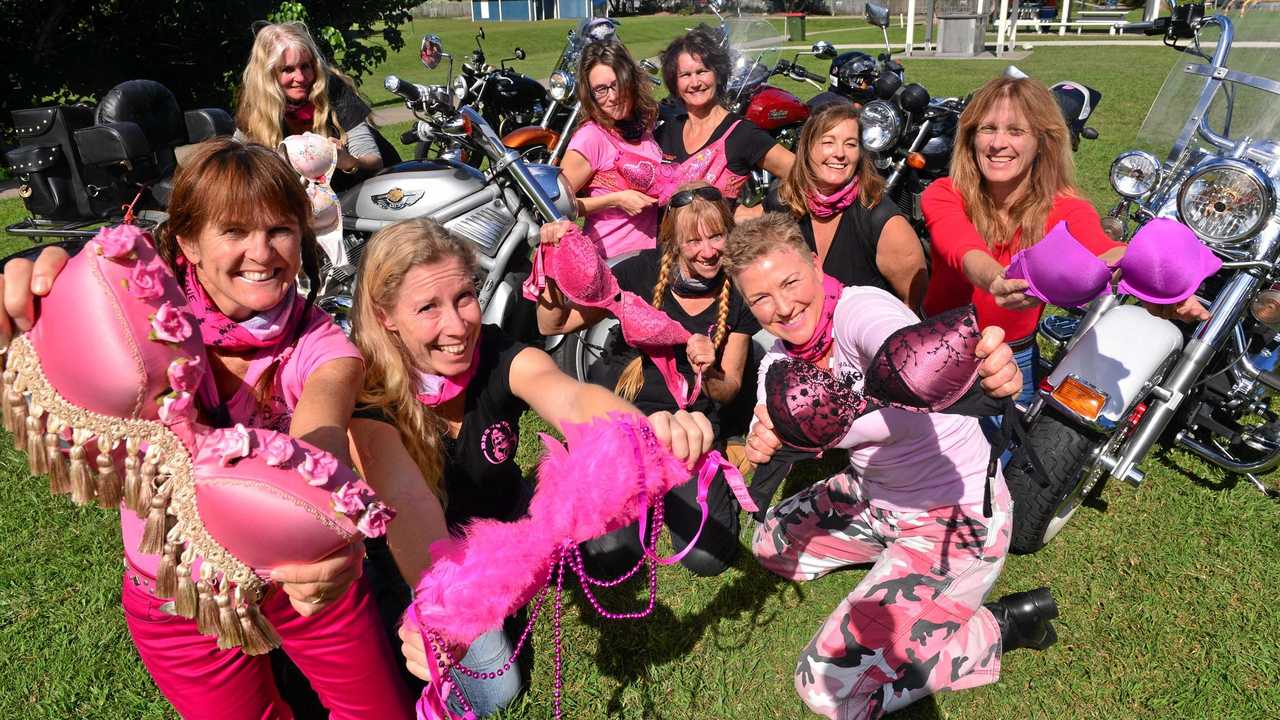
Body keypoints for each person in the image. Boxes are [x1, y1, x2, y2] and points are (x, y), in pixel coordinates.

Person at [0, 139, 412, 719]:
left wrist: (326, 528)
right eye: (235, 231)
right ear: (188, 241)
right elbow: (77, 291)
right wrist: (37, 289)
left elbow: (320, 442)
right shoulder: (139, 324)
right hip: (177, 590)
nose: (261, 253)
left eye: (280, 230)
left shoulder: (326, 347)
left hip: (299, 579)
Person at [344, 218, 715, 715]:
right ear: (386, 316)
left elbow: (571, 395)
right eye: (428, 308)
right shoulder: (367, 398)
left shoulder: (492, 351)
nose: (457, 327)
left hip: (509, 521)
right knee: (497, 692)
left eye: (463, 297)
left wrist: (641, 433)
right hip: (440, 562)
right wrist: (448, 605)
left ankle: (521, 589)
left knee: (615, 550)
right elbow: (408, 505)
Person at [729, 213, 1059, 720]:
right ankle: (897, 565)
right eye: (761, 299)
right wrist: (766, 433)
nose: (783, 306)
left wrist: (981, 365)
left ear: (816, 265)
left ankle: (1000, 625)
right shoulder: (779, 360)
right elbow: (772, 414)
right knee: (770, 545)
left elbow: (909, 355)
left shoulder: (863, 311)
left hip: (956, 515)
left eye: (789, 281)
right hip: (873, 496)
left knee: (826, 687)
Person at [922, 75, 1208, 406]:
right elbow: (960, 247)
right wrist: (995, 279)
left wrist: (1157, 280)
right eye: (987, 129)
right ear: (970, 137)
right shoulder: (944, 193)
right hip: (936, 346)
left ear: (1042, 141)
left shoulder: (1067, 206)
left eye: (1016, 131)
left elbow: (1103, 249)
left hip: (1012, 359)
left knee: (999, 455)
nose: (998, 143)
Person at [536, 182, 759, 576]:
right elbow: (554, 322)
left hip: (690, 435)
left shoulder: (739, 289)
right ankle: (635, 487)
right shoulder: (638, 272)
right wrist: (550, 265)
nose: (708, 251)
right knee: (608, 558)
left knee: (708, 559)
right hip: (629, 428)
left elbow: (731, 390)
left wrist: (711, 370)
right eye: (693, 241)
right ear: (673, 240)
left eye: (716, 236)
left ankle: (661, 491)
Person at [767, 102, 927, 309]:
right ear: (806, 147)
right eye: (828, 142)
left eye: (851, 144)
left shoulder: (882, 220)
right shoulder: (780, 206)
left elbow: (913, 305)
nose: (840, 153)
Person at [236, 22, 395, 191]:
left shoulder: (334, 89)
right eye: (288, 70)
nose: (301, 77)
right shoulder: (255, 105)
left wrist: (347, 161)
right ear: (268, 74)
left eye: (305, 66)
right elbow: (235, 163)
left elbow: (374, 161)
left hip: (375, 191)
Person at [657, 27, 795, 216]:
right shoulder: (667, 131)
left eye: (702, 71)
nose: (695, 82)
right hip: (667, 244)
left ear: (718, 75)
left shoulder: (742, 133)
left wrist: (759, 212)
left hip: (720, 243)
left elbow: (799, 173)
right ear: (674, 82)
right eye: (685, 75)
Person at [559, 40, 665, 258]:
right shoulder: (591, 137)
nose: (613, 96)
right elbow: (558, 206)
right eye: (601, 89)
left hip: (649, 258)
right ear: (590, 95)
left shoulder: (645, 125)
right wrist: (615, 199)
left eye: (617, 84)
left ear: (631, 79)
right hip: (611, 260)